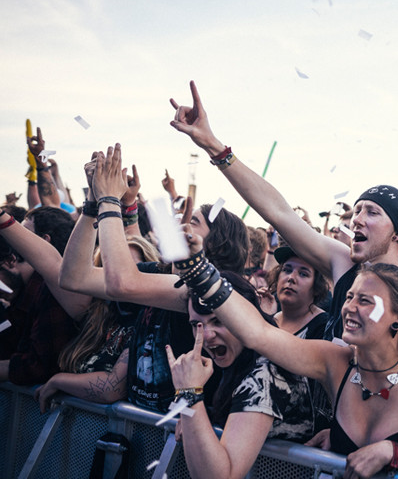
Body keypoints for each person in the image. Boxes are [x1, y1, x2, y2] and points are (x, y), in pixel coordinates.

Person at [173, 227, 398, 478]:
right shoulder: (335, 362)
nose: (349, 308)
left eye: (365, 301)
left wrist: (395, 451)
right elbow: (258, 334)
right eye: (349, 296)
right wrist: (200, 271)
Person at [167, 80, 398, 341]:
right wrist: (214, 146)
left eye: (373, 212)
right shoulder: (345, 265)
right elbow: (279, 212)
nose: (358, 219)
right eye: (358, 210)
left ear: (397, 233)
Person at [59, 144, 247, 411]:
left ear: (217, 243)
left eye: (193, 222)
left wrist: (109, 201)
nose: (179, 223)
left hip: (178, 436)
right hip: (139, 428)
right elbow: (74, 277)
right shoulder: (156, 274)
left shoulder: (208, 292)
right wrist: (91, 204)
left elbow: (121, 283)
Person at [168, 273, 329, 479]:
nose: (207, 336)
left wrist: (189, 396)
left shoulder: (265, 374)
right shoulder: (236, 359)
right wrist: (196, 420)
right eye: (196, 325)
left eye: (218, 321)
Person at [34, 235, 161, 411]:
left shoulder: (152, 322)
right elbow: (50, 264)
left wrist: (58, 381)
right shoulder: (96, 313)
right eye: (109, 270)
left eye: (132, 268)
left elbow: (112, 389)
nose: (120, 277)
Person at [0, 206, 79, 384]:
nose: (16, 238)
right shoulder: (25, 292)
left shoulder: (53, 290)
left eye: (24, 231)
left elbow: (39, 366)